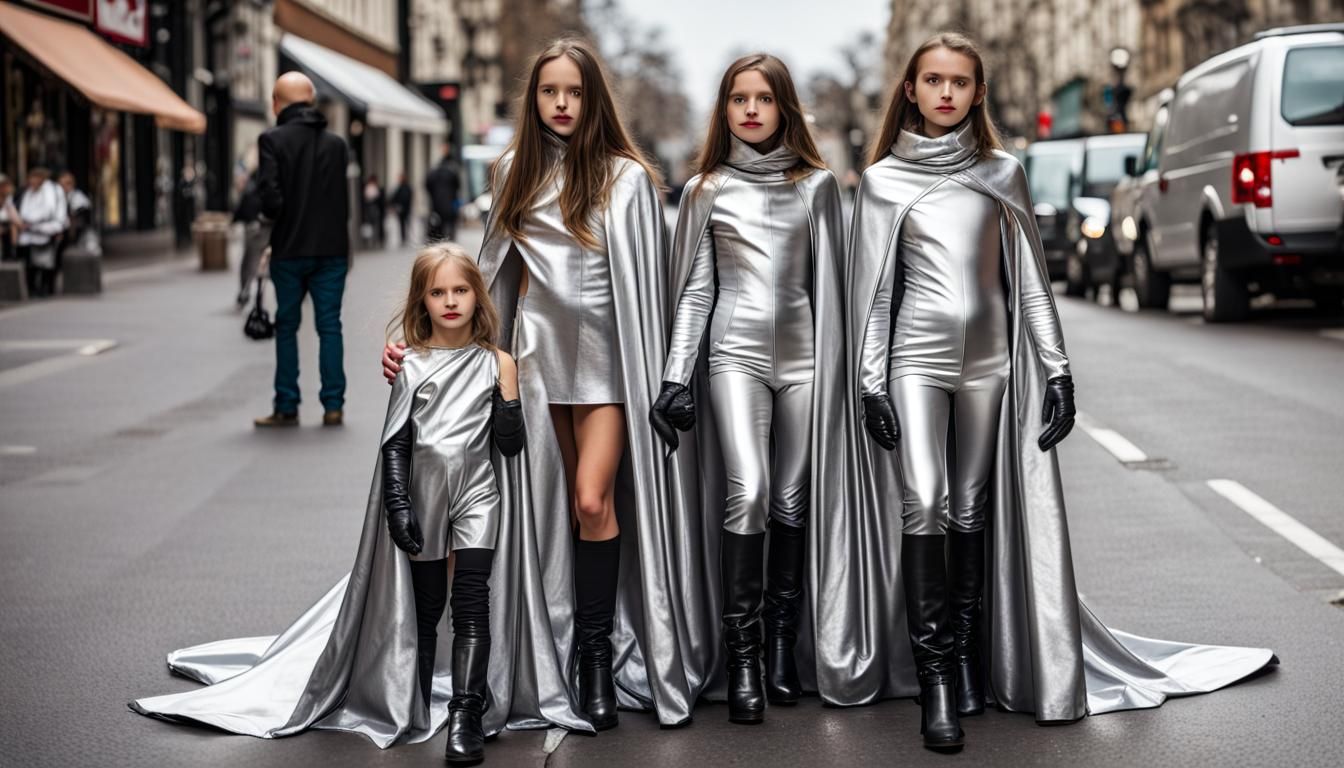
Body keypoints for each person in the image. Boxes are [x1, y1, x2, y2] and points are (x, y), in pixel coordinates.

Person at [824, 32, 1274, 751]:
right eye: (933, 81)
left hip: (990, 366)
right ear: (910, 90)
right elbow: (875, 292)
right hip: (914, 361)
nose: (946, 93)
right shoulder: (883, 182)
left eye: (960, 82)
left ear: (979, 92)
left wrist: (1058, 371)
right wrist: (871, 381)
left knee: (971, 506)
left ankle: (968, 663)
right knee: (926, 501)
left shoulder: (1003, 172)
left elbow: (1031, 280)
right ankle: (936, 683)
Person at [132, 244, 590, 760]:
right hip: (422, 498)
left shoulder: (496, 363)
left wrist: (508, 392)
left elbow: (510, 447)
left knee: (471, 602)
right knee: (426, 606)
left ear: (477, 297)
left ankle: (466, 712)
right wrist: (397, 502)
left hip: (479, 496)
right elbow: (396, 443)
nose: (450, 301)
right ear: (422, 301)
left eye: (461, 290)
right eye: (437, 292)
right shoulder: (413, 365)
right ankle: (417, 699)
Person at [384, 39, 715, 731]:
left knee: (593, 501)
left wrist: (664, 372)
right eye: (548, 91)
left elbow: (649, 286)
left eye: (574, 91)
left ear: (593, 99)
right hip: (533, 366)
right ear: (533, 99)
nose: (562, 103)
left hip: (609, 364)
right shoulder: (513, 170)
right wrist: (424, 349)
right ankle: (543, 653)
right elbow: (486, 279)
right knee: (537, 517)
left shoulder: (627, 178)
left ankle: (595, 656)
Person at [651, 53, 845, 725]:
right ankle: (743, 657)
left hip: (808, 361)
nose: (752, 110)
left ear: (784, 106)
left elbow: (835, 286)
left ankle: (782, 647)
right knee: (751, 489)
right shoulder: (705, 189)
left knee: (792, 498)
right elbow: (695, 291)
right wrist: (675, 375)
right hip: (734, 358)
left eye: (764, 98)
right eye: (739, 99)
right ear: (725, 109)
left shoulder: (817, 186)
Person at [253, 72, 351, 429]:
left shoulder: (271, 140)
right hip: (332, 249)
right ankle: (333, 406)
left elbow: (270, 199)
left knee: (287, 326)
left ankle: (287, 405)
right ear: (311, 101)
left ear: (276, 104)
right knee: (330, 326)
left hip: (289, 248)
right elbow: (343, 201)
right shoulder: (337, 145)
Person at [15, 167, 67, 298]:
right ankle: (32, 288)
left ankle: (46, 287)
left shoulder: (52, 191)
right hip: (29, 232)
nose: (31, 181)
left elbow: (51, 211)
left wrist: (57, 227)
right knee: (31, 262)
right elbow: (24, 210)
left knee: (46, 262)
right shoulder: (28, 192)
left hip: (47, 230)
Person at [232, 166, 269, 307]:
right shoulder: (268, 191)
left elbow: (239, 212)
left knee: (248, 263)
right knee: (262, 263)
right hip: (266, 231)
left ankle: (245, 290)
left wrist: (234, 221)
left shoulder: (249, 191)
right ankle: (257, 291)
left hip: (252, 232)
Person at [57, 171, 93, 268]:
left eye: (67, 184)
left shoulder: (78, 198)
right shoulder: (55, 198)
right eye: (61, 184)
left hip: (72, 236)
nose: (63, 187)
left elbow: (81, 219)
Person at [425, 144, 460, 242]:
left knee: (438, 226)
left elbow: (428, 186)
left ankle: (439, 240)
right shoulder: (452, 170)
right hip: (449, 204)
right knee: (449, 226)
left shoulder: (434, 172)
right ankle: (448, 241)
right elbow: (457, 186)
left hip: (437, 204)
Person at [363, 174, 386, 249]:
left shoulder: (370, 187)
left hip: (372, 208)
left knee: (373, 225)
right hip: (373, 208)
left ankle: (373, 239)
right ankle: (373, 239)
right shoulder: (372, 187)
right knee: (373, 224)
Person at [390, 172, 413, 246]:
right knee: (402, 224)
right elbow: (394, 197)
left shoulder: (406, 187)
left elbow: (408, 197)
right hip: (401, 209)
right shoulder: (400, 187)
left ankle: (406, 237)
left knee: (406, 223)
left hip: (405, 209)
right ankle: (403, 237)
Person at [0, 174, 18, 263]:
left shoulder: (9, 200)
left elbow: (15, 218)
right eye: (3, 186)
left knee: (12, 227)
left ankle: (11, 253)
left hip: (6, 227)